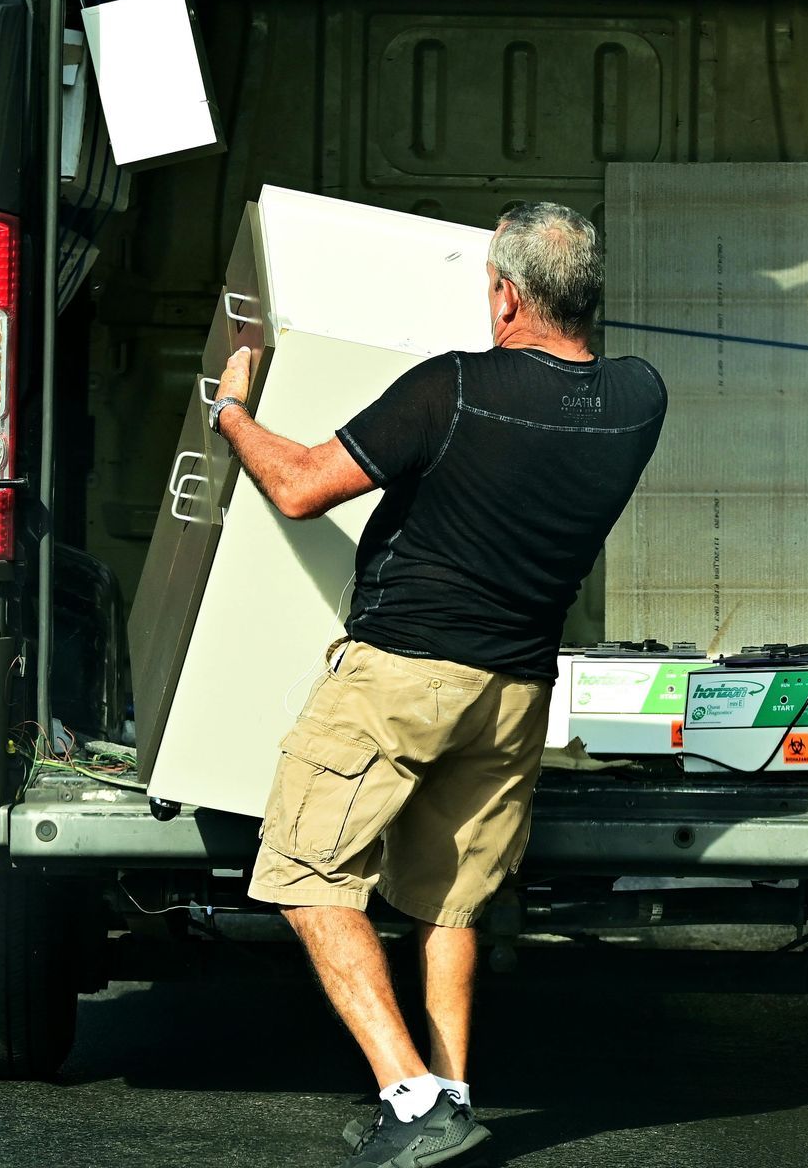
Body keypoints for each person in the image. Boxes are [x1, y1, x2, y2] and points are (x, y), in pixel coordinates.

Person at [206, 200, 666, 1167]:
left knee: (303, 872)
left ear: (504, 294)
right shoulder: (639, 398)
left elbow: (297, 485)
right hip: (514, 696)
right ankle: (453, 1091)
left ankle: (412, 1099)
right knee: (449, 900)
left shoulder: (451, 389)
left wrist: (232, 409)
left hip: (403, 679)